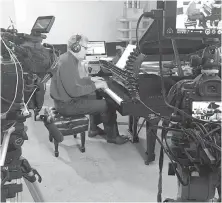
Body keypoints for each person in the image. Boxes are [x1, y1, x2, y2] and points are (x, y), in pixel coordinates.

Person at [50, 34, 128, 145]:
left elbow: (76, 81)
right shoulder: (68, 63)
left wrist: (91, 80)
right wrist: (97, 85)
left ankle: (93, 129)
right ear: (76, 47)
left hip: (64, 101)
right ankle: (113, 137)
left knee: (95, 95)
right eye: (85, 48)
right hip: (67, 105)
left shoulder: (68, 58)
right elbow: (74, 91)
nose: (86, 51)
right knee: (109, 104)